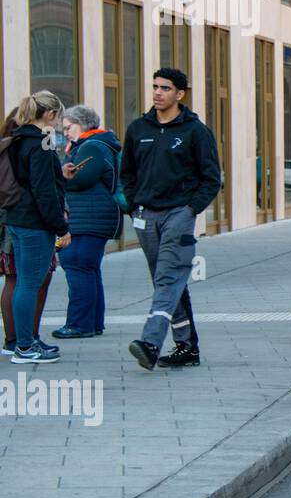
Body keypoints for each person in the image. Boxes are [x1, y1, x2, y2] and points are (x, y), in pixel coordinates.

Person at [121, 69, 222, 370]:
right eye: (154, 87)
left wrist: (191, 209)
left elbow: (211, 178)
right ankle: (187, 347)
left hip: (179, 213)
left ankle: (150, 343)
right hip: (145, 215)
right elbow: (126, 173)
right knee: (167, 281)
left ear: (179, 94)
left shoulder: (194, 131)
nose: (157, 92)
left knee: (168, 276)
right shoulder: (139, 128)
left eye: (165, 88)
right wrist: (131, 205)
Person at [3, 92, 70, 364]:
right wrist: (60, 226)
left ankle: (21, 342)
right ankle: (25, 347)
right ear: (50, 114)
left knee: (22, 283)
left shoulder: (18, 138)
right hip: (35, 223)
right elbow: (45, 190)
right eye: (58, 116)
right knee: (30, 283)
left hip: (16, 219)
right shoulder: (42, 141)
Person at [51, 105, 122, 339]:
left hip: (90, 218)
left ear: (82, 124)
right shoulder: (93, 145)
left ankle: (78, 324)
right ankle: (92, 323)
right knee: (88, 268)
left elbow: (80, 179)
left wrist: (59, 175)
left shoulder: (92, 146)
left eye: (68, 127)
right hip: (92, 217)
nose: (66, 133)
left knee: (76, 263)